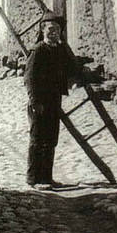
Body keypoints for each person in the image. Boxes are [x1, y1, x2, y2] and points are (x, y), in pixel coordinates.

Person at [23, 11, 81, 190]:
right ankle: (33, 179)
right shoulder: (38, 50)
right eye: (49, 29)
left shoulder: (60, 50)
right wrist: (34, 101)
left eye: (57, 29)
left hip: (54, 101)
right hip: (40, 102)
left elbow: (72, 68)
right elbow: (29, 78)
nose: (53, 32)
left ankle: (47, 178)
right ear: (43, 30)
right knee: (38, 140)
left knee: (50, 140)